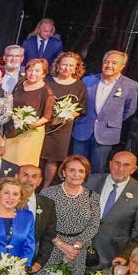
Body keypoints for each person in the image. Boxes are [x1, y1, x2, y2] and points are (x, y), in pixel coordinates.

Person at [23, 155, 100, 275]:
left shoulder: (92, 197)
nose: (76, 174)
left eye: (81, 171)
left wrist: (77, 246)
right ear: (63, 172)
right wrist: (60, 243)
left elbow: (94, 224)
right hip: (51, 244)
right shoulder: (49, 193)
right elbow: (42, 223)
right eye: (71, 170)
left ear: (86, 174)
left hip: (75, 251)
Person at [72, 50, 138, 174]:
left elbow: (129, 109)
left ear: (122, 66)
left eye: (114, 63)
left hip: (106, 133)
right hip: (83, 130)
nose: (109, 65)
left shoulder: (130, 85)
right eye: (106, 62)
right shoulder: (88, 80)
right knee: (76, 166)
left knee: (97, 170)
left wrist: (112, 119)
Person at [85, 151, 138, 266]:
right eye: (117, 163)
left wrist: (125, 255)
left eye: (126, 165)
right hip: (78, 249)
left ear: (134, 169)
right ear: (110, 164)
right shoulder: (90, 181)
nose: (120, 168)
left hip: (111, 256)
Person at [41, 52, 89, 186]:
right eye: (64, 64)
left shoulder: (79, 86)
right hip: (42, 125)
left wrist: (63, 117)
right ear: (57, 65)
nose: (66, 68)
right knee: (37, 156)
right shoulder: (46, 81)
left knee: (52, 159)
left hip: (62, 129)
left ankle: (45, 188)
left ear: (76, 68)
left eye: (70, 65)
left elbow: (80, 108)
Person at [3, 58, 55, 167]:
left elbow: (46, 117)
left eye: (37, 71)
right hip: (12, 129)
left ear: (44, 73)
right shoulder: (20, 84)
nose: (32, 73)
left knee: (22, 164)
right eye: (30, 70)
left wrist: (27, 125)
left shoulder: (47, 92)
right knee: (6, 160)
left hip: (30, 133)